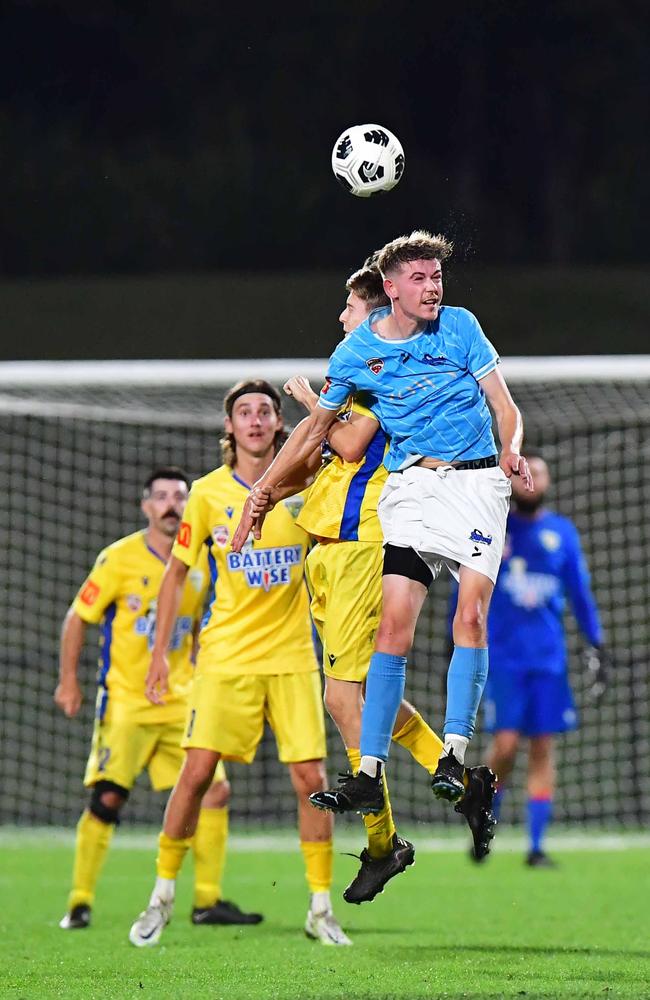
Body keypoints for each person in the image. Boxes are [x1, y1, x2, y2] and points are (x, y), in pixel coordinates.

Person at [233, 229, 532, 815]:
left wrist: (511, 447)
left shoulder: (461, 327)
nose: (432, 288)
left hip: (475, 485)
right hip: (413, 489)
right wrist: (261, 492)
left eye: (436, 277)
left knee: (469, 616)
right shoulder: (354, 356)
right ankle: (368, 773)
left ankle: (453, 755)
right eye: (419, 279)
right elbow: (314, 433)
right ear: (390, 289)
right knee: (393, 629)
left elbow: (504, 405)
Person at [280, 260, 497, 902]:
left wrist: (307, 404)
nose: (343, 319)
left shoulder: (378, 375)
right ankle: (458, 777)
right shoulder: (360, 374)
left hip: (362, 546)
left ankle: (383, 840)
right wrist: (270, 493)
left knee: (346, 699)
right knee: (355, 699)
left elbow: (346, 444)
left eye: (349, 308)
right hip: (327, 552)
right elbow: (321, 453)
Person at [129, 382, 351, 948]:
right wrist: (159, 654)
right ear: (229, 427)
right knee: (198, 771)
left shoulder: (306, 484)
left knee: (312, 780)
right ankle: (161, 895)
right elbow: (176, 575)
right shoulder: (205, 495)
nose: (254, 420)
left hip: (294, 655)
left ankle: (321, 908)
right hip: (226, 655)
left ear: (280, 424)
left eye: (264, 411)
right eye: (243, 413)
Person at [55, 468, 259, 930]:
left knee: (216, 791)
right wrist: (69, 680)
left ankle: (207, 900)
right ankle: (79, 901)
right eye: (161, 497)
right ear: (145, 506)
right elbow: (76, 618)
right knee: (108, 798)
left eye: (179, 497)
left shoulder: (206, 561)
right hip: (127, 701)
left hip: (182, 698)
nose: (170, 505)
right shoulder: (118, 558)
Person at [466, 454, 604, 866]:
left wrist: (596, 642)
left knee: (542, 747)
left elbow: (580, 592)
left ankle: (536, 846)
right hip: (504, 659)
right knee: (505, 746)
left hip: (549, 660)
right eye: (526, 473)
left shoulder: (561, 533)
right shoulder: (495, 529)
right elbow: (467, 591)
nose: (532, 480)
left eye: (540, 473)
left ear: (547, 483)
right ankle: (484, 817)